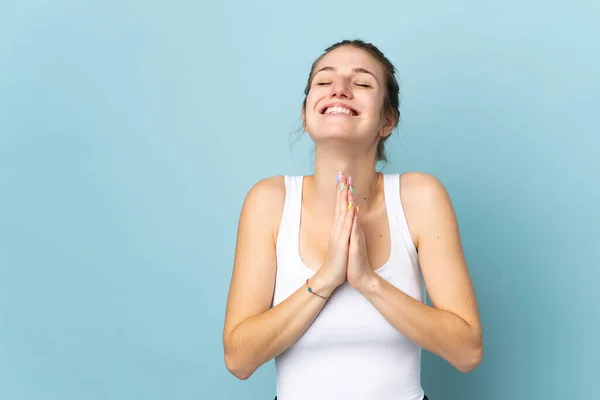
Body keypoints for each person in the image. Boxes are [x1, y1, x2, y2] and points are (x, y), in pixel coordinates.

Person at [222, 39, 483, 400]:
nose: (340, 90)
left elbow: (467, 351)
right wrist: (325, 279)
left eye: (361, 84)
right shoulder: (269, 201)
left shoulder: (420, 197)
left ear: (387, 121)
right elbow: (239, 359)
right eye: (324, 82)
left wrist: (367, 281)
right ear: (305, 113)